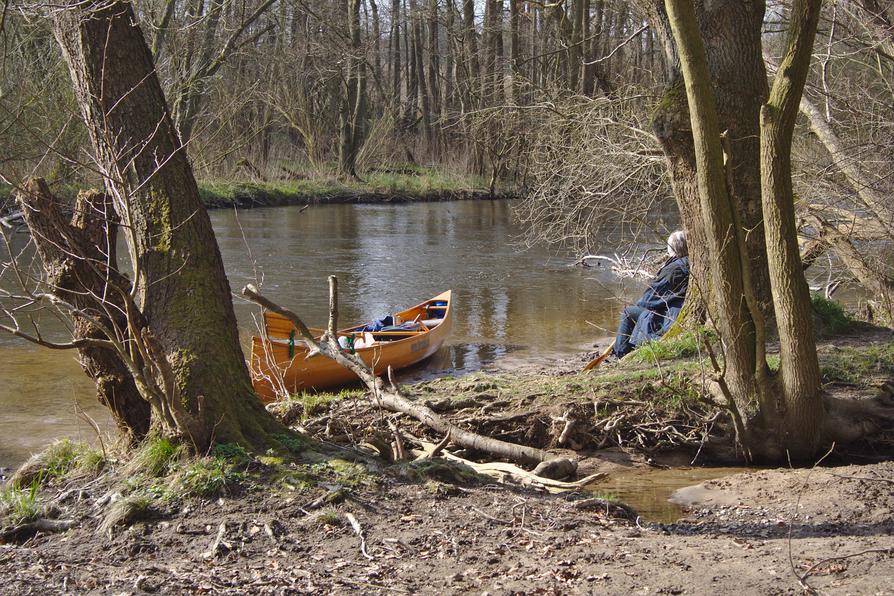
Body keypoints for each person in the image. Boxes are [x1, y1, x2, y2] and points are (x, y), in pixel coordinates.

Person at [612, 230, 690, 358]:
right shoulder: (692, 263)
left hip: (671, 315)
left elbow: (650, 298)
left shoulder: (673, 269)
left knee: (629, 312)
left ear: (672, 249)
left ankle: (620, 353)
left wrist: (641, 304)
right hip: (675, 310)